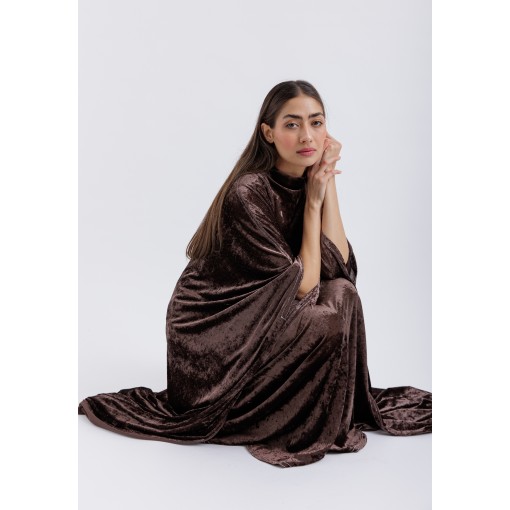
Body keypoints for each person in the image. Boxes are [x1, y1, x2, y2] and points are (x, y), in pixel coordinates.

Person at [78, 79, 432, 468]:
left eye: (316, 123)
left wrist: (326, 182)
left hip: (267, 318)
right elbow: (304, 288)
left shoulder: (307, 180)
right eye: (292, 124)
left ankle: (316, 410)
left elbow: (341, 267)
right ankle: (283, 418)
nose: (307, 135)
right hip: (214, 336)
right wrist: (313, 205)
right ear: (268, 133)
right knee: (322, 318)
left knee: (344, 294)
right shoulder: (247, 193)